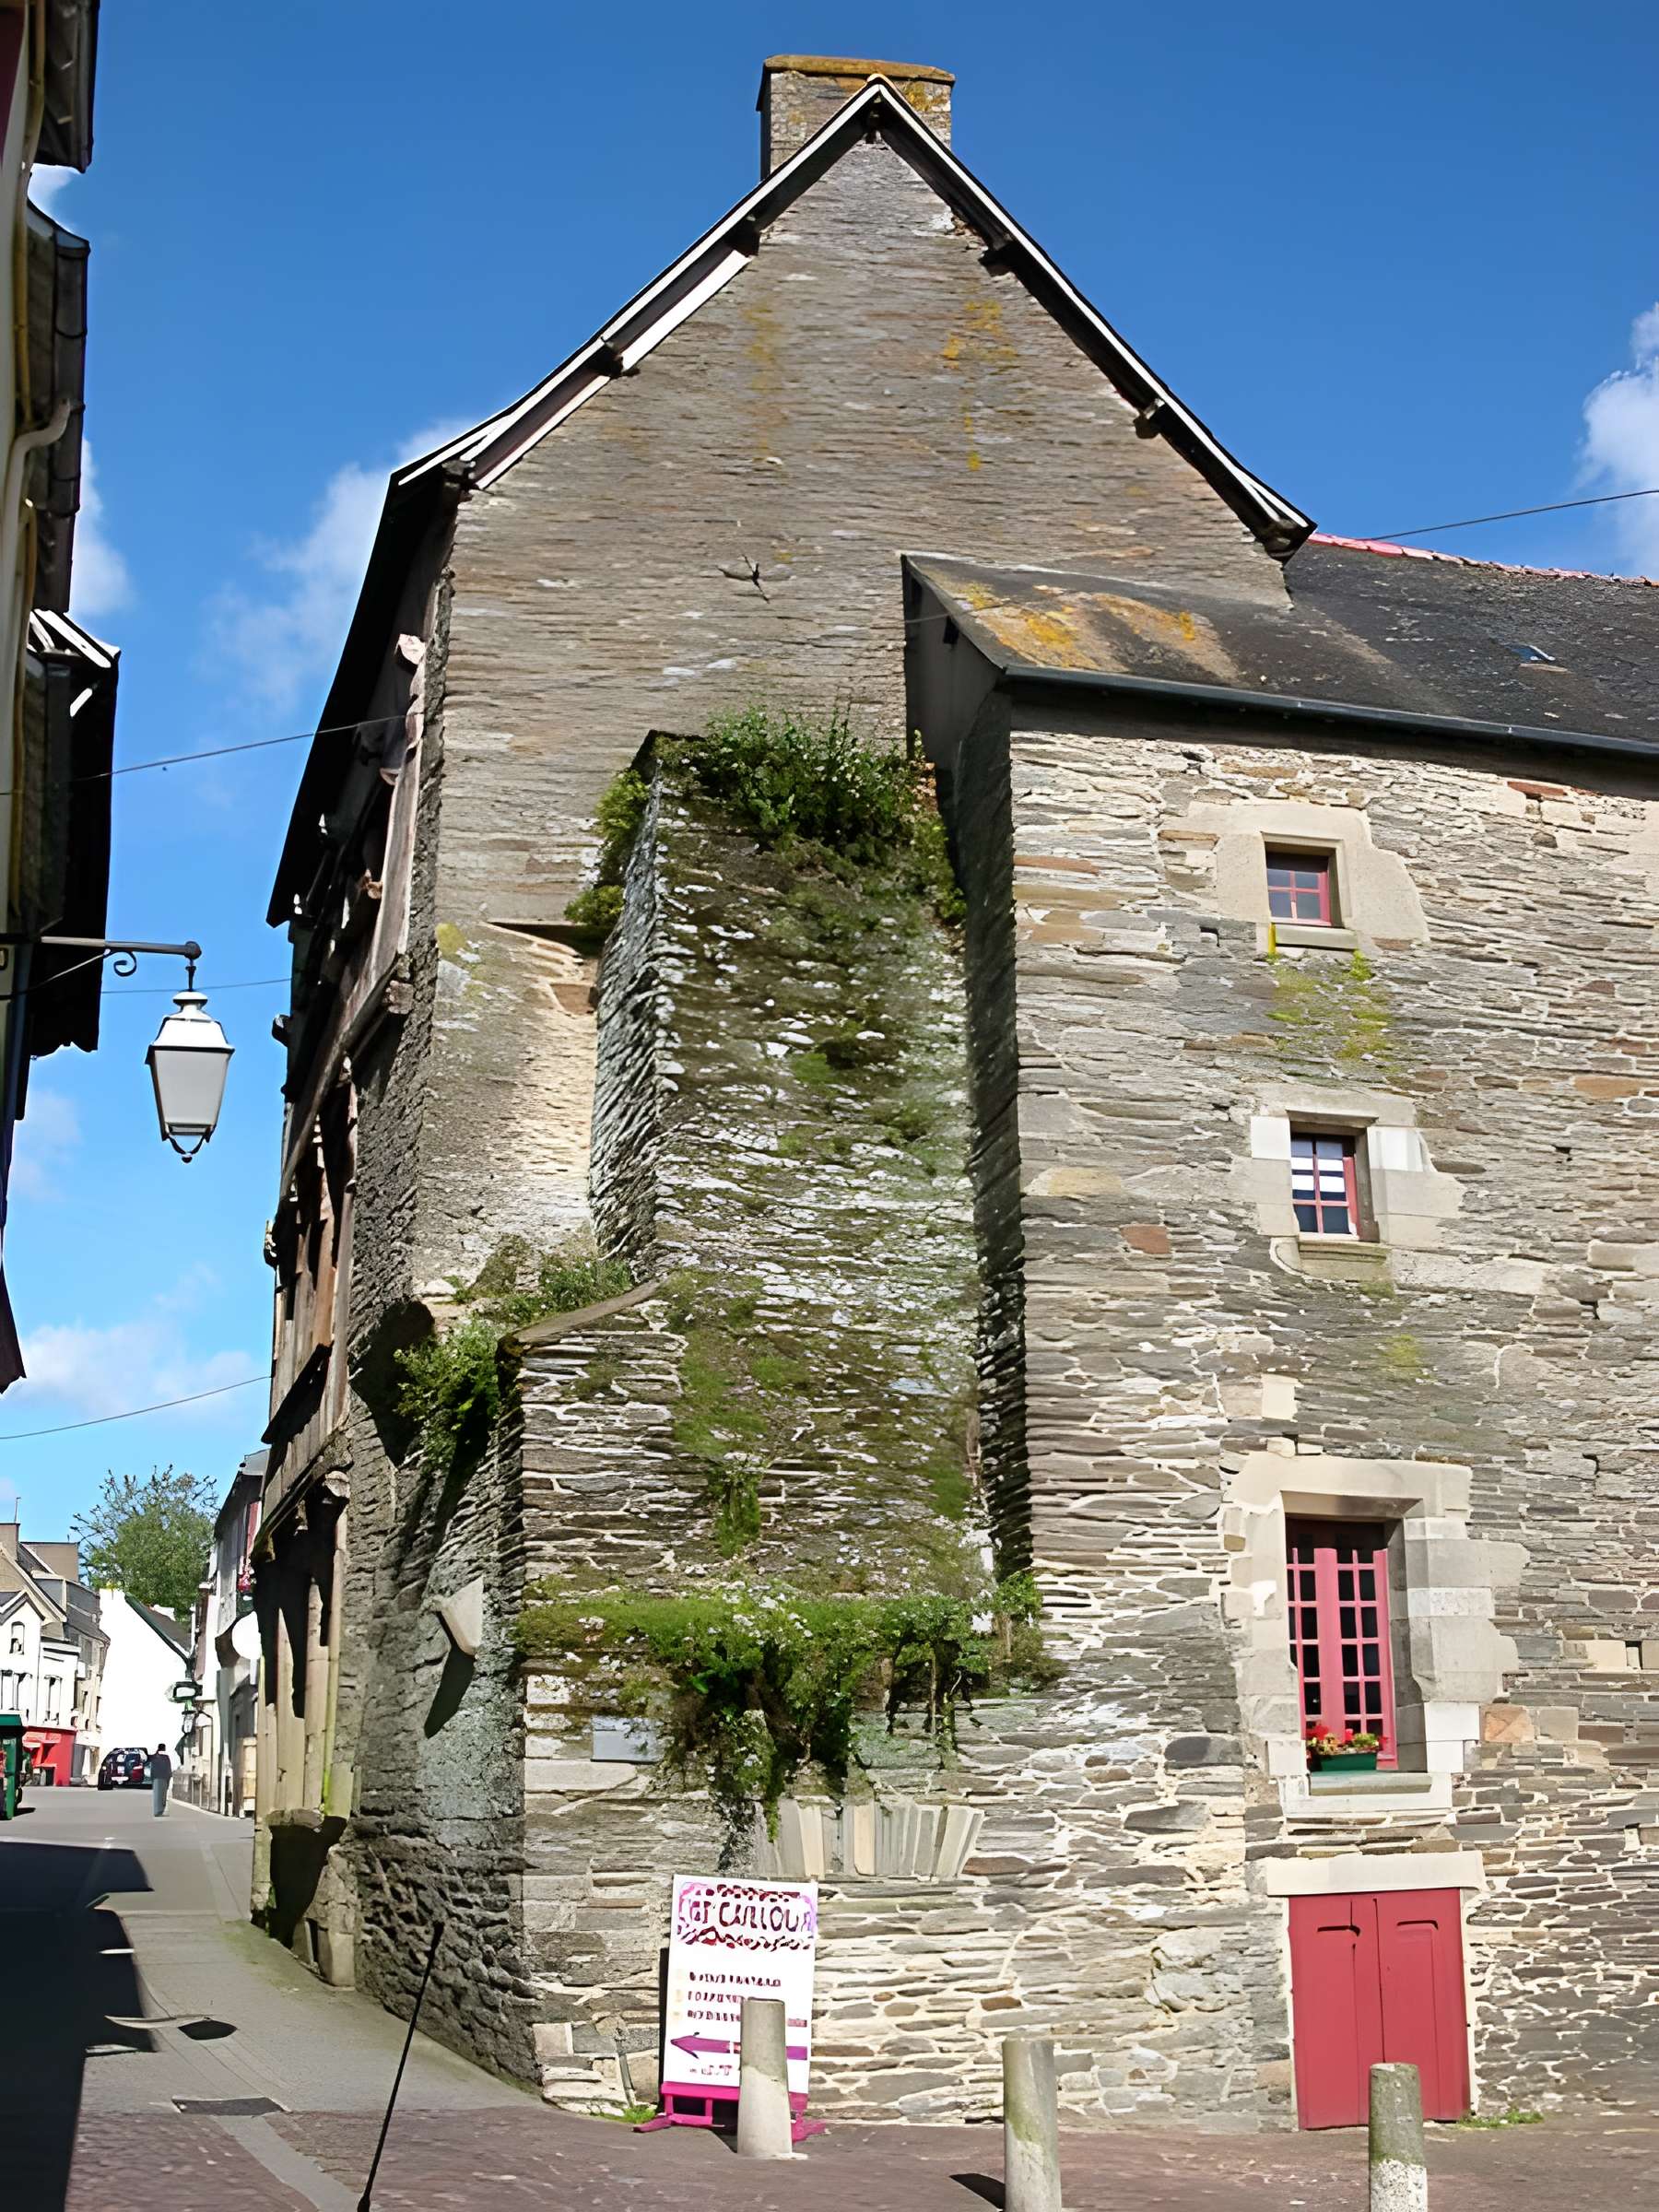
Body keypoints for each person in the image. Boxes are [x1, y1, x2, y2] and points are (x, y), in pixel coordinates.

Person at [149, 1742, 172, 1818]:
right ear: (164, 1748)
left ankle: (156, 1811)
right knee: (163, 1795)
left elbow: (152, 1768)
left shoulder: (154, 1757)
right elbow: (168, 1769)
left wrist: (152, 1777)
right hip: (164, 1778)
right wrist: (169, 1777)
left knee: (156, 1795)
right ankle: (160, 1810)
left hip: (156, 1777)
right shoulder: (166, 1757)